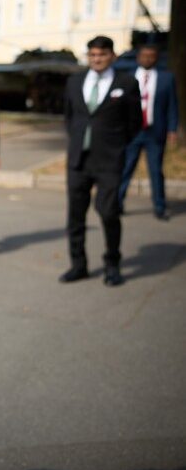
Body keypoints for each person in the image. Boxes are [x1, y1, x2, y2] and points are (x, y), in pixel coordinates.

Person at [60, 35, 141, 286]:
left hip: (108, 160)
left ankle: (112, 264)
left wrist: (116, 145)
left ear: (112, 56)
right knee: (75, 217)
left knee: (108, 213)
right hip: (78, 161)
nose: (97, 59)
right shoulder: (75, 82)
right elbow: (69, 117)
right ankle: (78, 265)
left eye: (102, 55)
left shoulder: (126, 83)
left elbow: (134, 123)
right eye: (92, 55)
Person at [118, 44, 178, 220]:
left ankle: (160, 206)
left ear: (156, 58)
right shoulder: (127, 78)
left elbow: (172, 105)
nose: (147, 59)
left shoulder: (166, 79)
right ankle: (117, 203)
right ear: (138, 57)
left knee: (156, 170)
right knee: (126, 167)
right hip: (132, 132)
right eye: (144, 56)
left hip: (155, 131)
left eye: (151, 56)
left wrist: (172, 128)